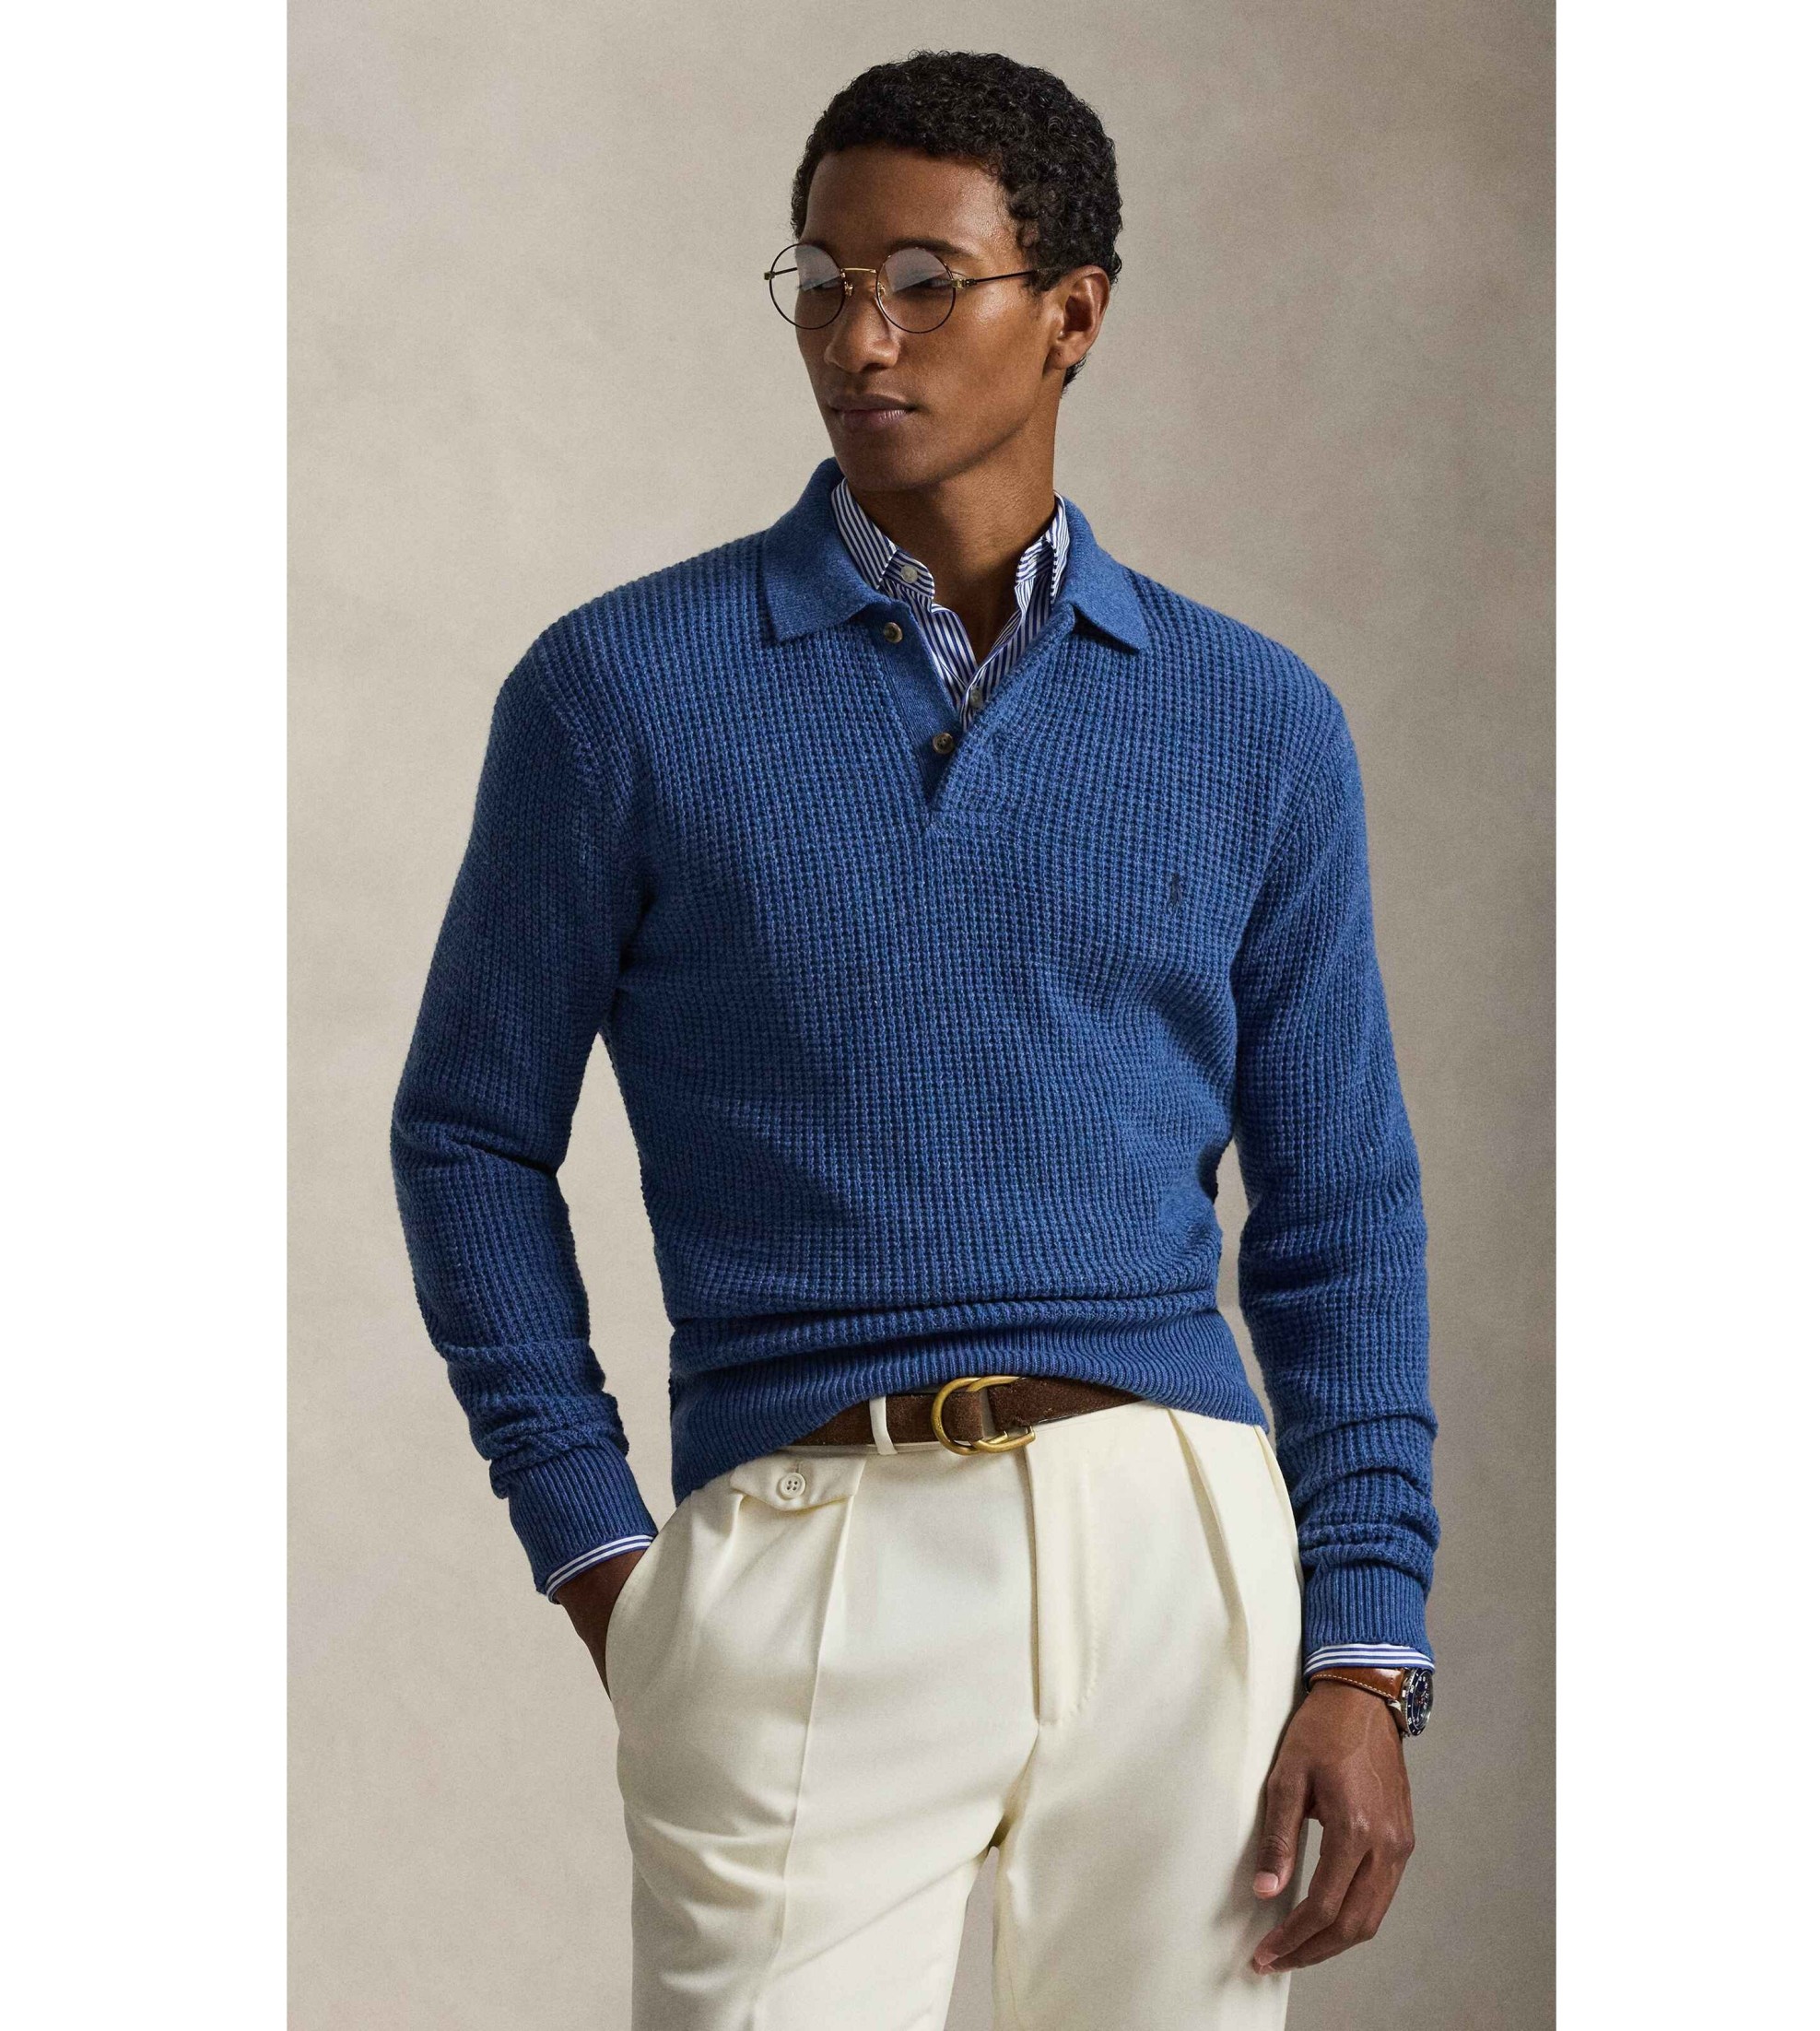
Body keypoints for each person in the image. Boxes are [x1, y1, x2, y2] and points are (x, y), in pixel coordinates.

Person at [390, 48, 1439, 2031]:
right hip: (807, 1539)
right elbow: (466, 1132)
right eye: (821, 281)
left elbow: (1340, 1214)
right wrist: (598, 1548)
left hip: (1176, 1547)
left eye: (924, 283)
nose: (858, 338)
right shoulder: (620, 694)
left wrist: (1364, 1650)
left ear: (1073, 314)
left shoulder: (1253, 722)